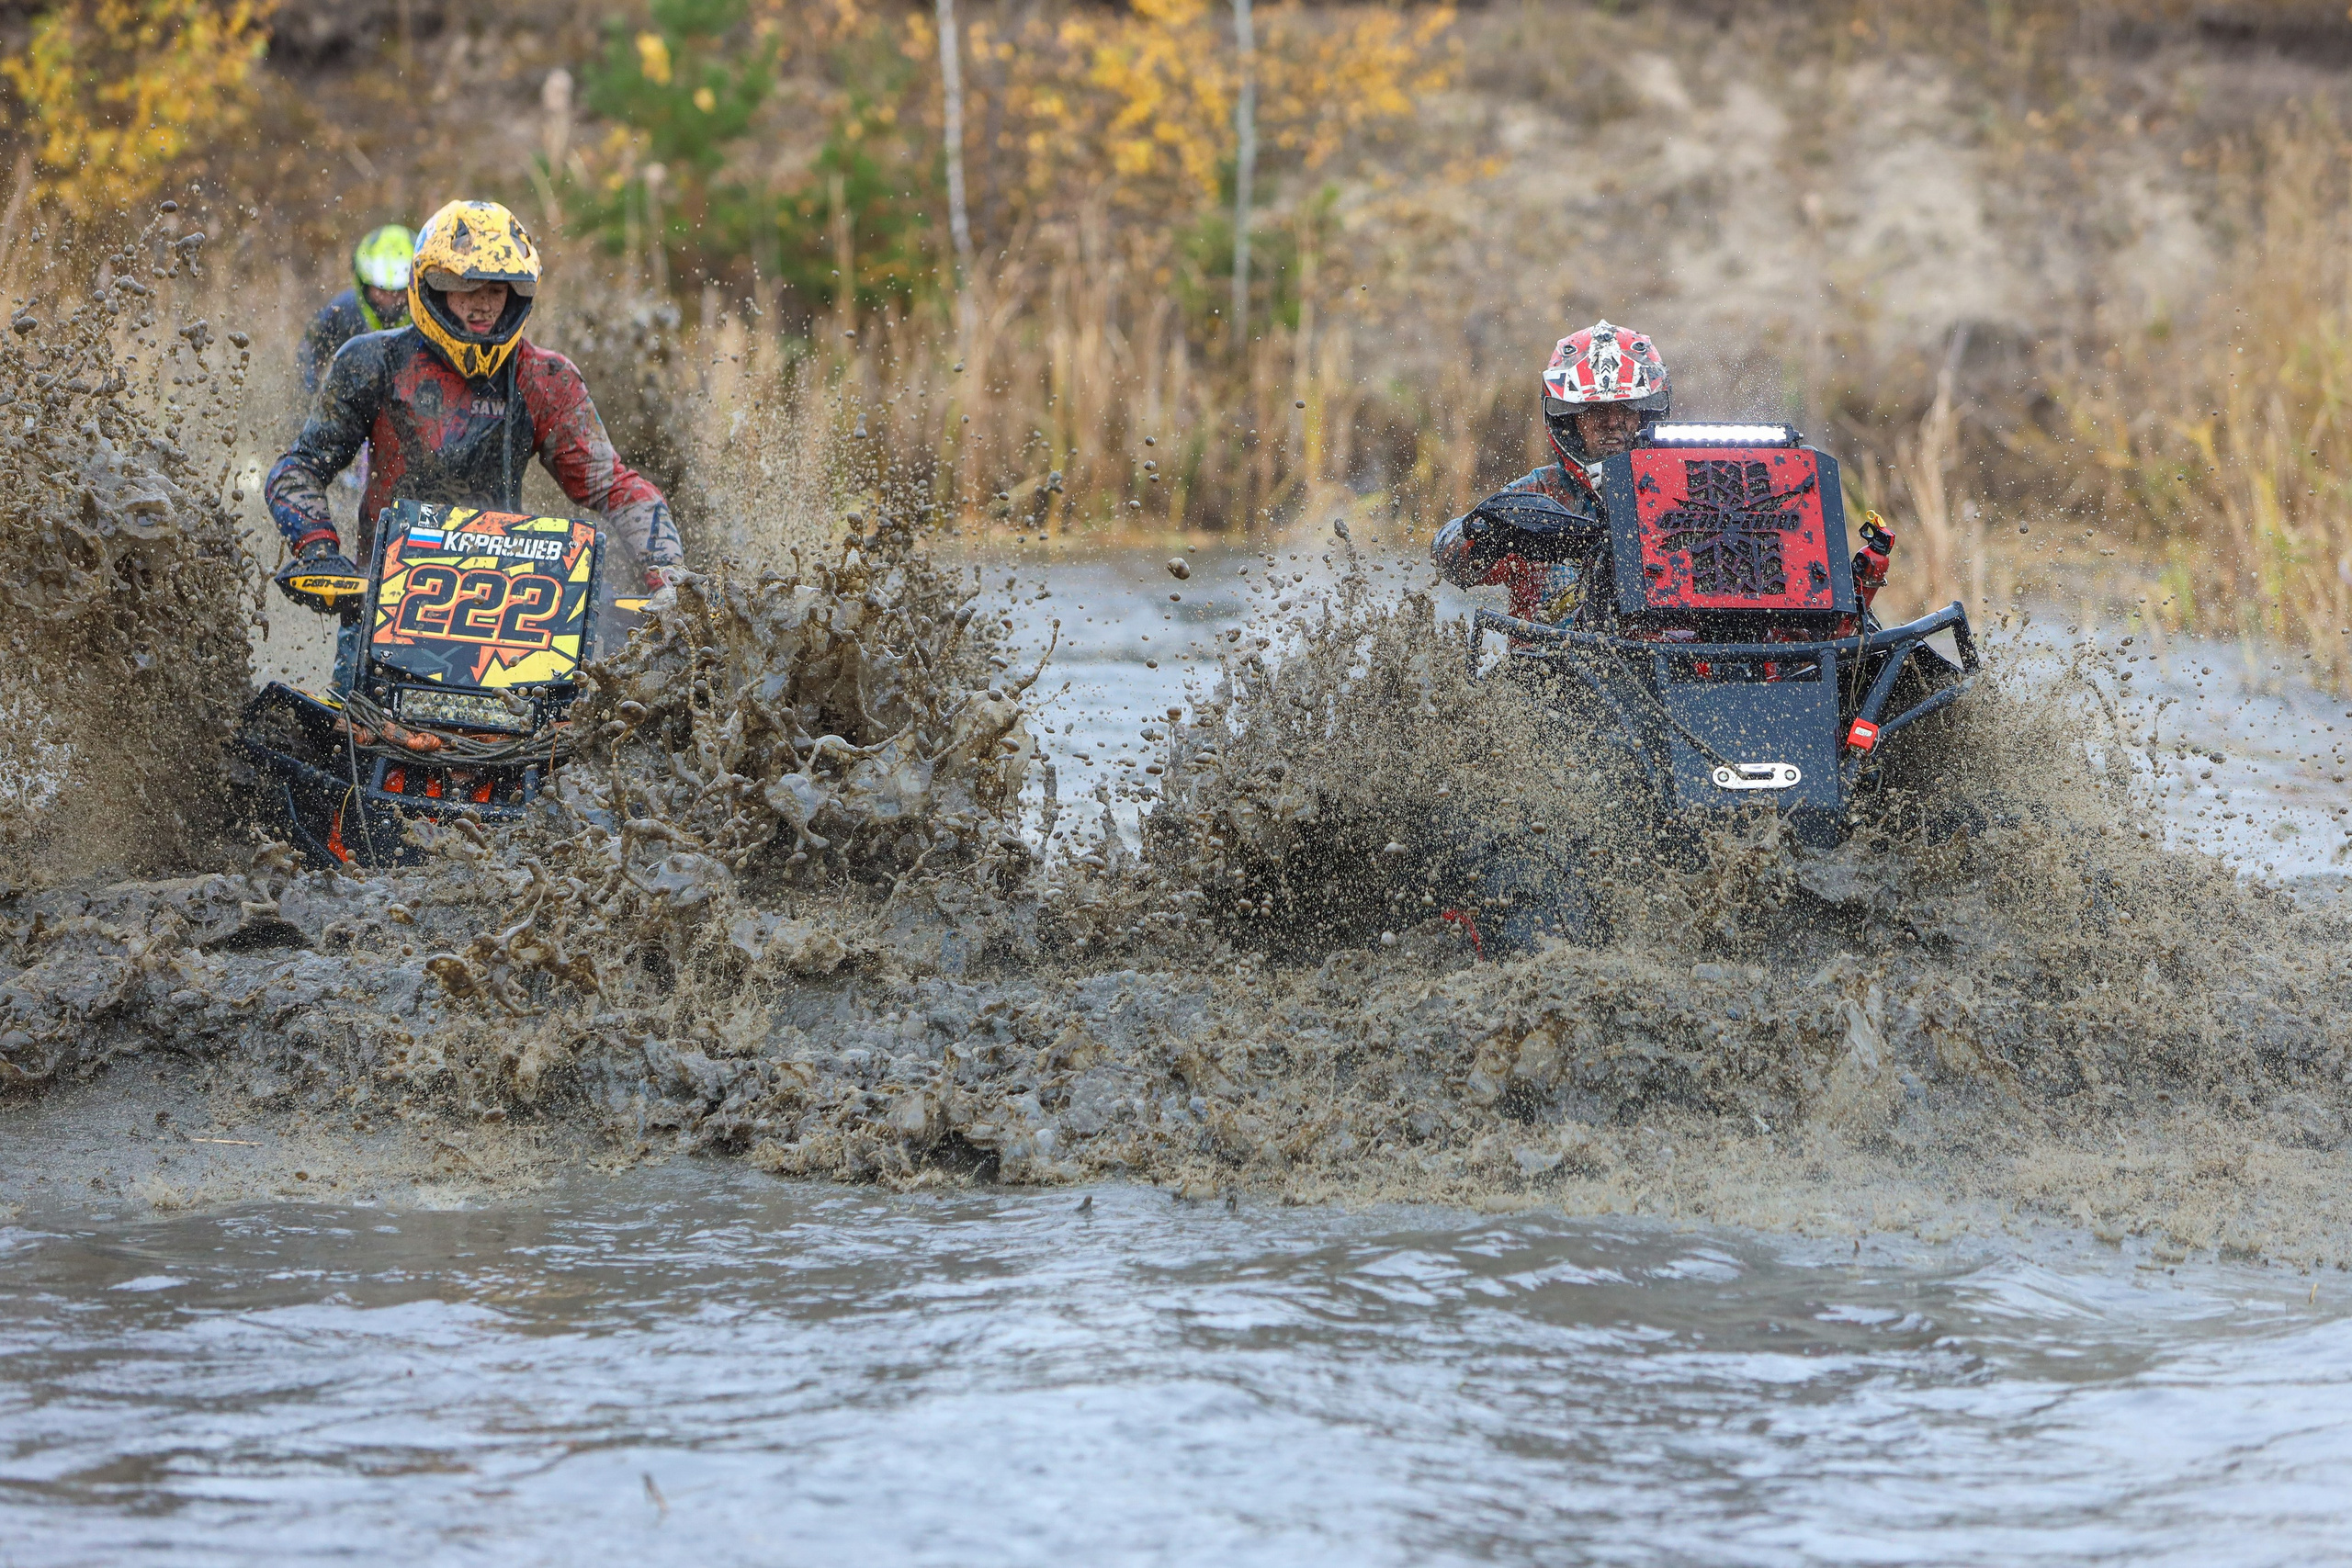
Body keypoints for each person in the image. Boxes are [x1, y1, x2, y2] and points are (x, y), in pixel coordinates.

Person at [266, 198, 685, 688]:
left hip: (509, 620)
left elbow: (616, 487)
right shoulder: (371, 362)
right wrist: (318, 549)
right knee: (334, 741)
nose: (483, 302)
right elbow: (297, 469)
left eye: (498, 288)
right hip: (383, 611)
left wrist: (670, 577)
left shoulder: (545, 377)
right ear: (432, 286)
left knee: (563, 744)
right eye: (465, 286)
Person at [1430, 320, 1670, 626]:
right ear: (1570, 419)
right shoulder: (1541, 492)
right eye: (1596, 410)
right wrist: (1488, 535)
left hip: (1665, 659)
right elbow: (1446, 554)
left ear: (1645, 412)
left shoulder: (1680, 488)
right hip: (1549, 665)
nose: (1612, 422)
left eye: (1626, 406)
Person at [296, 225, 417, 398]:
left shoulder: (432, 316)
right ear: (364, 284)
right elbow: (309, 354)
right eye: (381, 290)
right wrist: (309, 396)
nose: (390, 300)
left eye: (398, 291)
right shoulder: (342, 311)